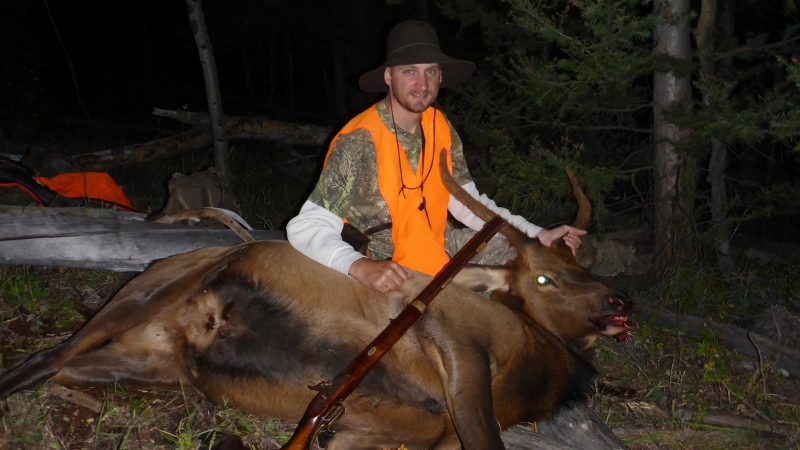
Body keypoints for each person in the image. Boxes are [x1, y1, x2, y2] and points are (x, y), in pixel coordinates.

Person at [287, 20, 585, 293]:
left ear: (441, 76)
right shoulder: (360, 140)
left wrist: (538, 234)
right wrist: (358, 266)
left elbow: (470, 205)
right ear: (389, 76)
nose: (422, 83)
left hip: (438, 248)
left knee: (534, 261)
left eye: (430, 71)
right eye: (409, 71)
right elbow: (306, 226)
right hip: (390, 266)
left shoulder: (439, 126)